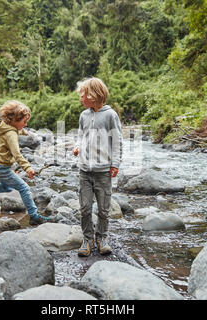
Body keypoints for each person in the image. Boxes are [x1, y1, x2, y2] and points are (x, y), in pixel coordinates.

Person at [0, 100, 53, 225]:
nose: (26, 124)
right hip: (1, 168)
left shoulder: (6, 126)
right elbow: (17, 154)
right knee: (24, 188)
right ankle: (34, 216)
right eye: (24, 122)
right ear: (14, 120)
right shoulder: (11, 134)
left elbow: (17, 130)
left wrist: (28, 133)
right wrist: (28, 168)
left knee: (7, 187)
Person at [73, 77, 123, 257]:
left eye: (83, 95)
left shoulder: (110, 115)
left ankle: (102, 237)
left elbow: (117, 141)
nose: (81, 98)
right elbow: (81, 135)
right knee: (85, 207)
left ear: (94, 95)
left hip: (103, 171)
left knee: (103, 209)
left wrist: (115, 163)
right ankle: (87, 239)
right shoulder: (84, 115)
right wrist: (77, 146)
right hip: (85, 170)